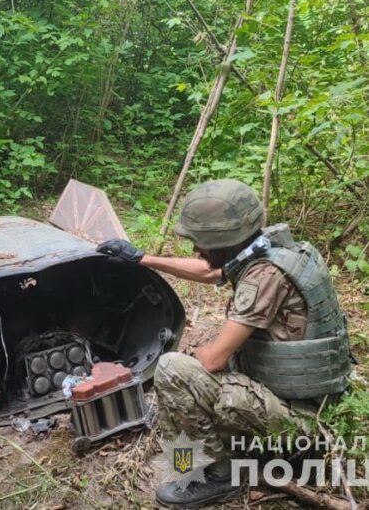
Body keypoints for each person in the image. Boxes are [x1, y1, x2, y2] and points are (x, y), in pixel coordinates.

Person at [97, 179, 352, 508]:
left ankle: (214, 474)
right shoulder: (274, 250)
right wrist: (142, 258)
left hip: (302, 423)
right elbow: (209, 272)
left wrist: (197, 358)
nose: (196, 250)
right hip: (318, 404)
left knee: (173, 369)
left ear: (223, 242)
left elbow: (214, 360)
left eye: (201, 242)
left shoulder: (263, 277)